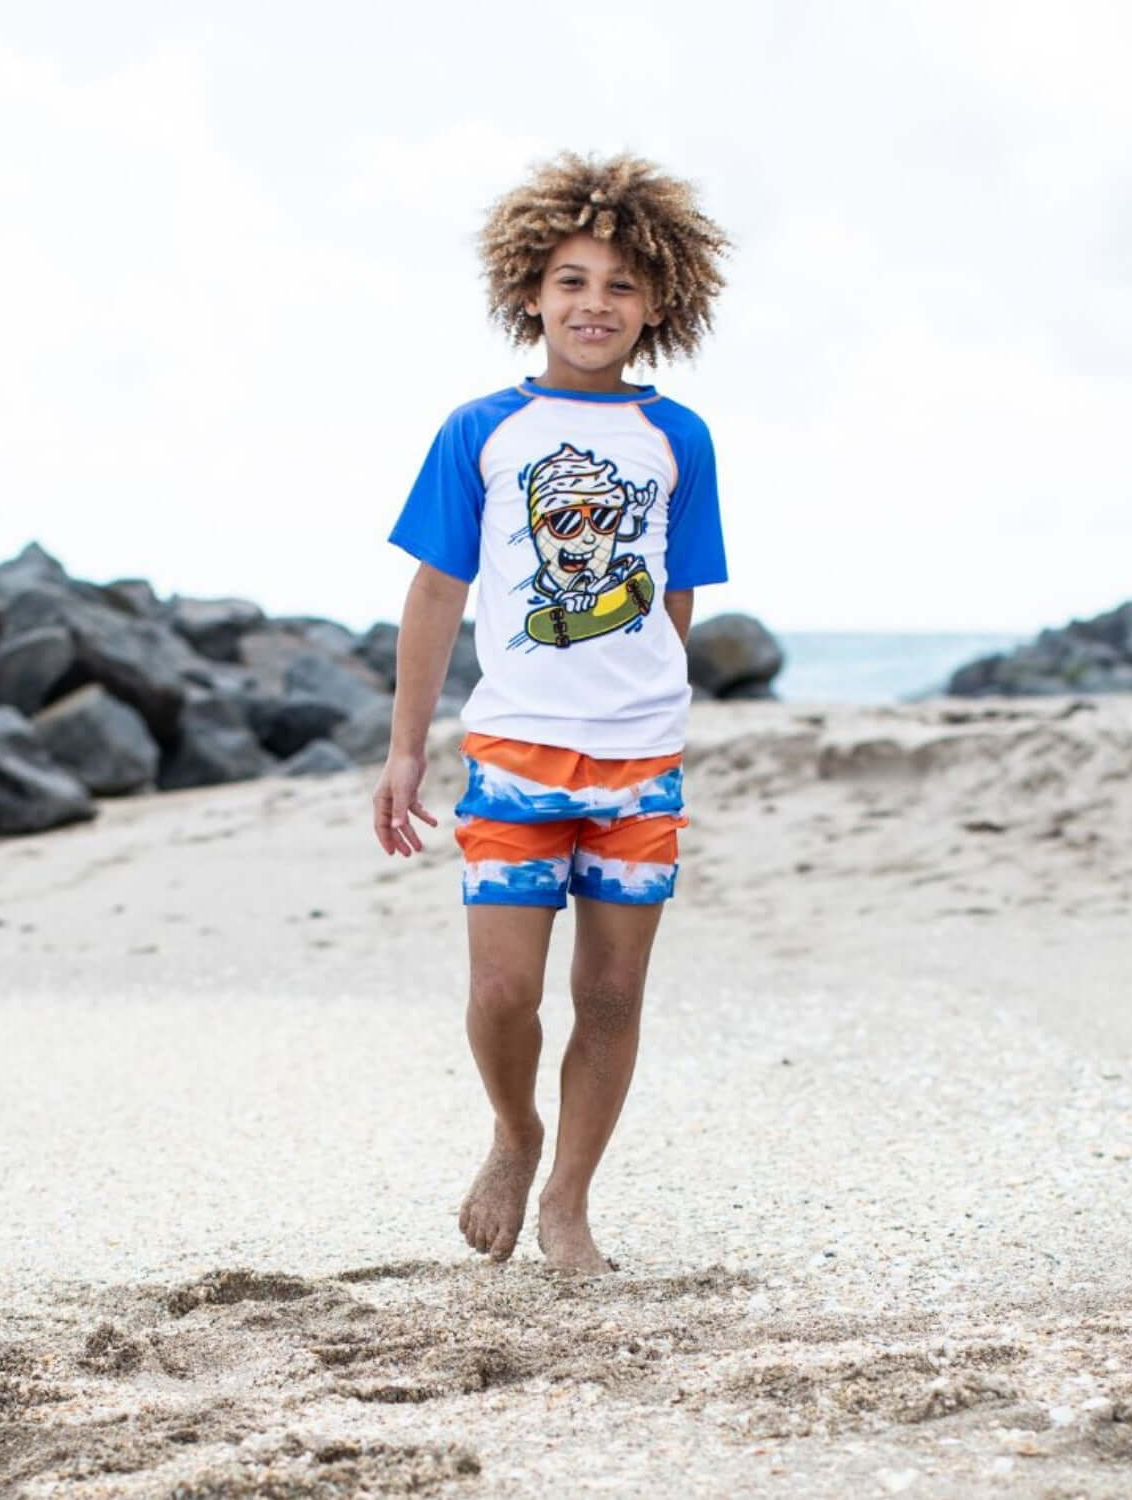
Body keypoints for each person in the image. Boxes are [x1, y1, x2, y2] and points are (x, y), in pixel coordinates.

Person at [373, 152, 730, 1274]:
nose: (595, 304)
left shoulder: (683, 439)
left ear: (658, 303)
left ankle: (570, 1201)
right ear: (531, 291)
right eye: (573, 281)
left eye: (621, 286)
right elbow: (436, 590)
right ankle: (515, 1131)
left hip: (638, 761)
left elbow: (679, 595)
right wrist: (402, 753)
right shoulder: (478, 428)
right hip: (515, 750)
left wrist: (644, 706)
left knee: (613, 991)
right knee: (502, 989)